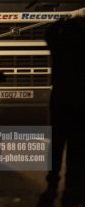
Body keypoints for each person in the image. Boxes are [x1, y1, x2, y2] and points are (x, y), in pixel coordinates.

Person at [39, 16, 85, 207]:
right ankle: (72, 187)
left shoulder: (60, 49)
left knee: (56, 145)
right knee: (77, 147)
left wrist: (62, 21)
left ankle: (52, 184)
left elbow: (48, 34)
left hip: (60, 100)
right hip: (81, 102)